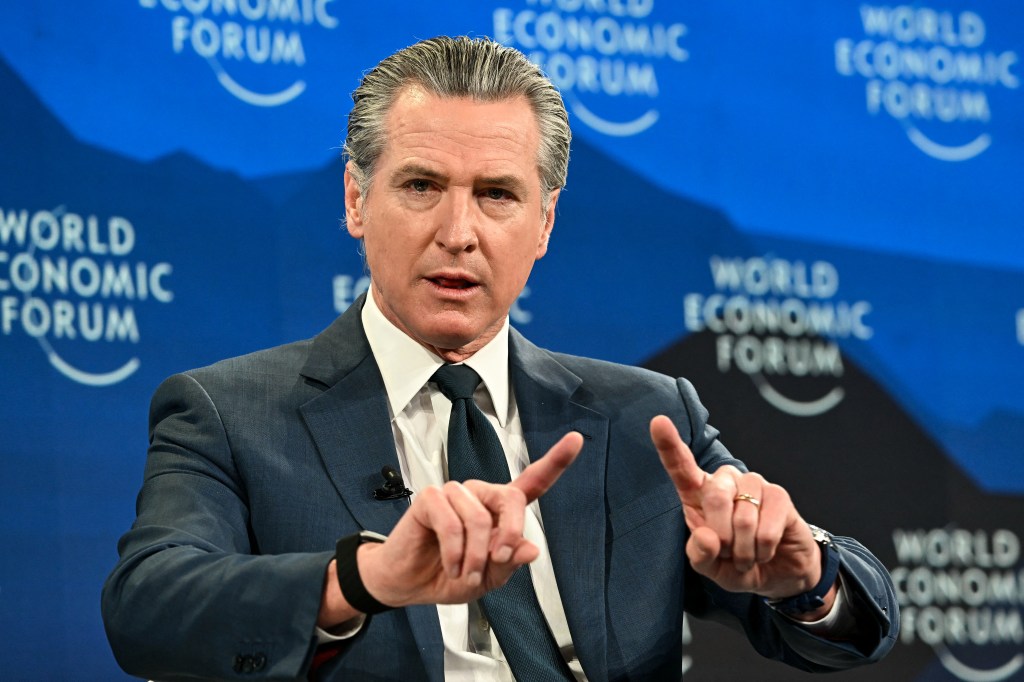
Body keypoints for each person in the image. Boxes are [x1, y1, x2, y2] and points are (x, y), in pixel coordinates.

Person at [102, 36, 898, 681]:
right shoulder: (228, 413)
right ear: (355, 199)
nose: (459, 232)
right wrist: (362, 581)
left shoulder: (644, 417)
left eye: (497, 194)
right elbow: (147, 609)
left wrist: (808, 579)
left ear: (544, 224)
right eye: (420, 185)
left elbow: (858, 626)